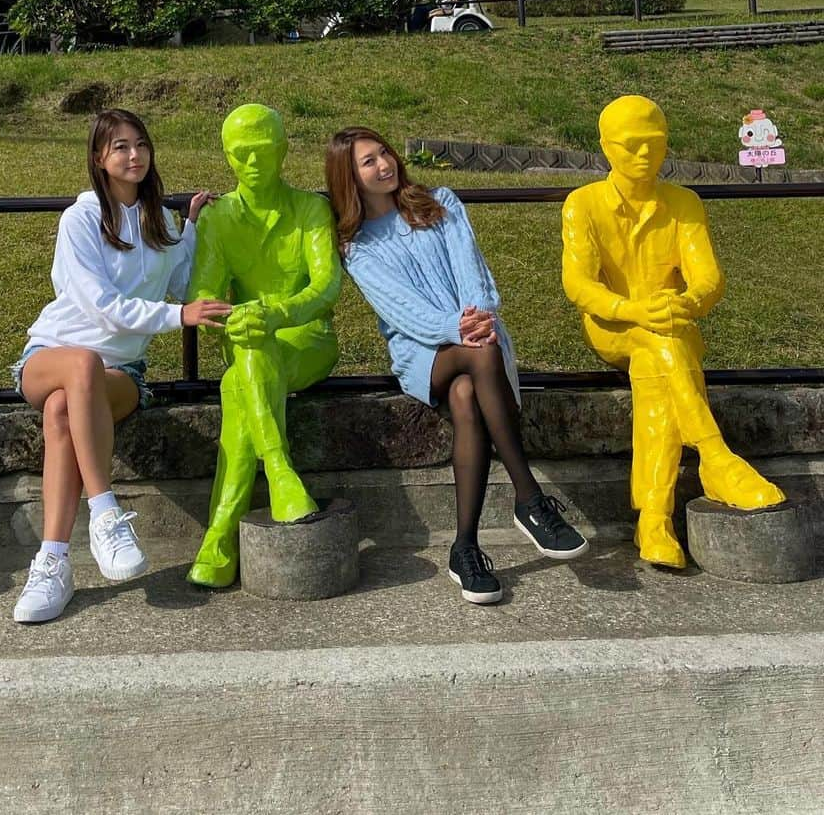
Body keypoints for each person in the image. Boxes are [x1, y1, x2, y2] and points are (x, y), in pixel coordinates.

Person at [325, 127, 587, 605]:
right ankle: (529, 499)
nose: (384, 164)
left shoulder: (439, 203)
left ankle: (464, 548)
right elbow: (400, 311)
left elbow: (473, 270)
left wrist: (477, 317)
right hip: (422, 353)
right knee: (478, 354)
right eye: (368, 162)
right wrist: (458, 328)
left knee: (467, 395)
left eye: (384, 152)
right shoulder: (357, 246)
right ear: (349, 177)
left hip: (476, 335)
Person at [11, 108, 229, 623]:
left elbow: (176, 284)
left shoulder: (161, 220)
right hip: (51, 355)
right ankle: (105, 513)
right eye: (120, 148)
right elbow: (100, 305)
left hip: (120, 374)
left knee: (65, 411)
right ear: (99, 159)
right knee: (78, 367)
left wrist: (193, 226)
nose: (134, 156)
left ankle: (53, 562)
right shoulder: (81, 218)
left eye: (140, 145)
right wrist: (180, 316)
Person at [562, 95, 784, 568]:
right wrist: (635, 309)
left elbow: (709, 279)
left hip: (668, 329)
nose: (644, 155)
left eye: (655, 144)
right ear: (605, 147)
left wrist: (684, 302)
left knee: (657, 365)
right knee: (661, 343)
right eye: (631, 146)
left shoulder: (684, 203)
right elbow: (578, 284)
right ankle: (715, 456)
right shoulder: (583, 204)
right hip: (612, 324)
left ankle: (655, 520)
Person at [186, 104, 341, 589]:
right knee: (248, 366)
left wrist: (275, 312)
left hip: (308, 340)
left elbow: (327, 287)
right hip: (248, 339)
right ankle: (279, 477)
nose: (254, 163)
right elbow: (202, 296)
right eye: (242, 154)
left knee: (244, 372)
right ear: (229, 157)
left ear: (283, 150)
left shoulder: (311, 210)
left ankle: (221, 536)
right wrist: (234, 319)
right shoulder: (218, 218)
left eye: (265, 151)